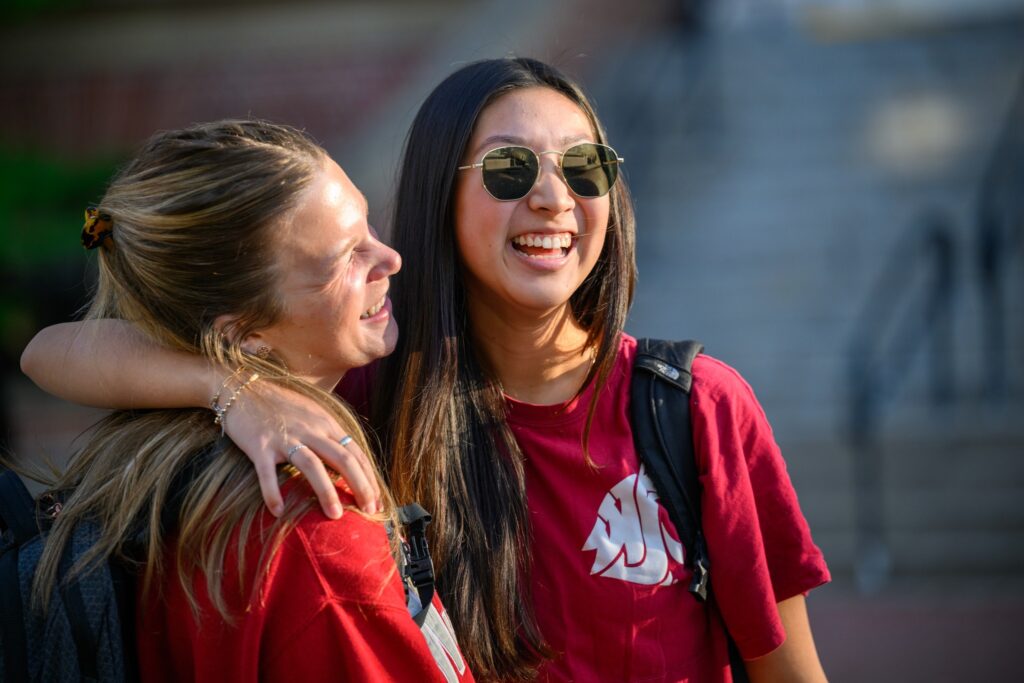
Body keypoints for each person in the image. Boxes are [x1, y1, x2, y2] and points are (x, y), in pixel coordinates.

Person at [23, 59, 830, 682]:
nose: (554, 197)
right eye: (511, 170)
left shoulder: (699, 411)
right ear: (440, 194)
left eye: (584, 167)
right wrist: (236, 390)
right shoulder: (370, 391)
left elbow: (789, 669)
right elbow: (52, 352)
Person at [17, 119, 472, 683]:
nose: (390, 258)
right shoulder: (313, 527)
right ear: (244, 335)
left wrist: (229, 388)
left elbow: (45, 351)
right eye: (343, 258)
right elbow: (41, 352)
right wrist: (233, 390)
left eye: (367, 223)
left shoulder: (163, 441)